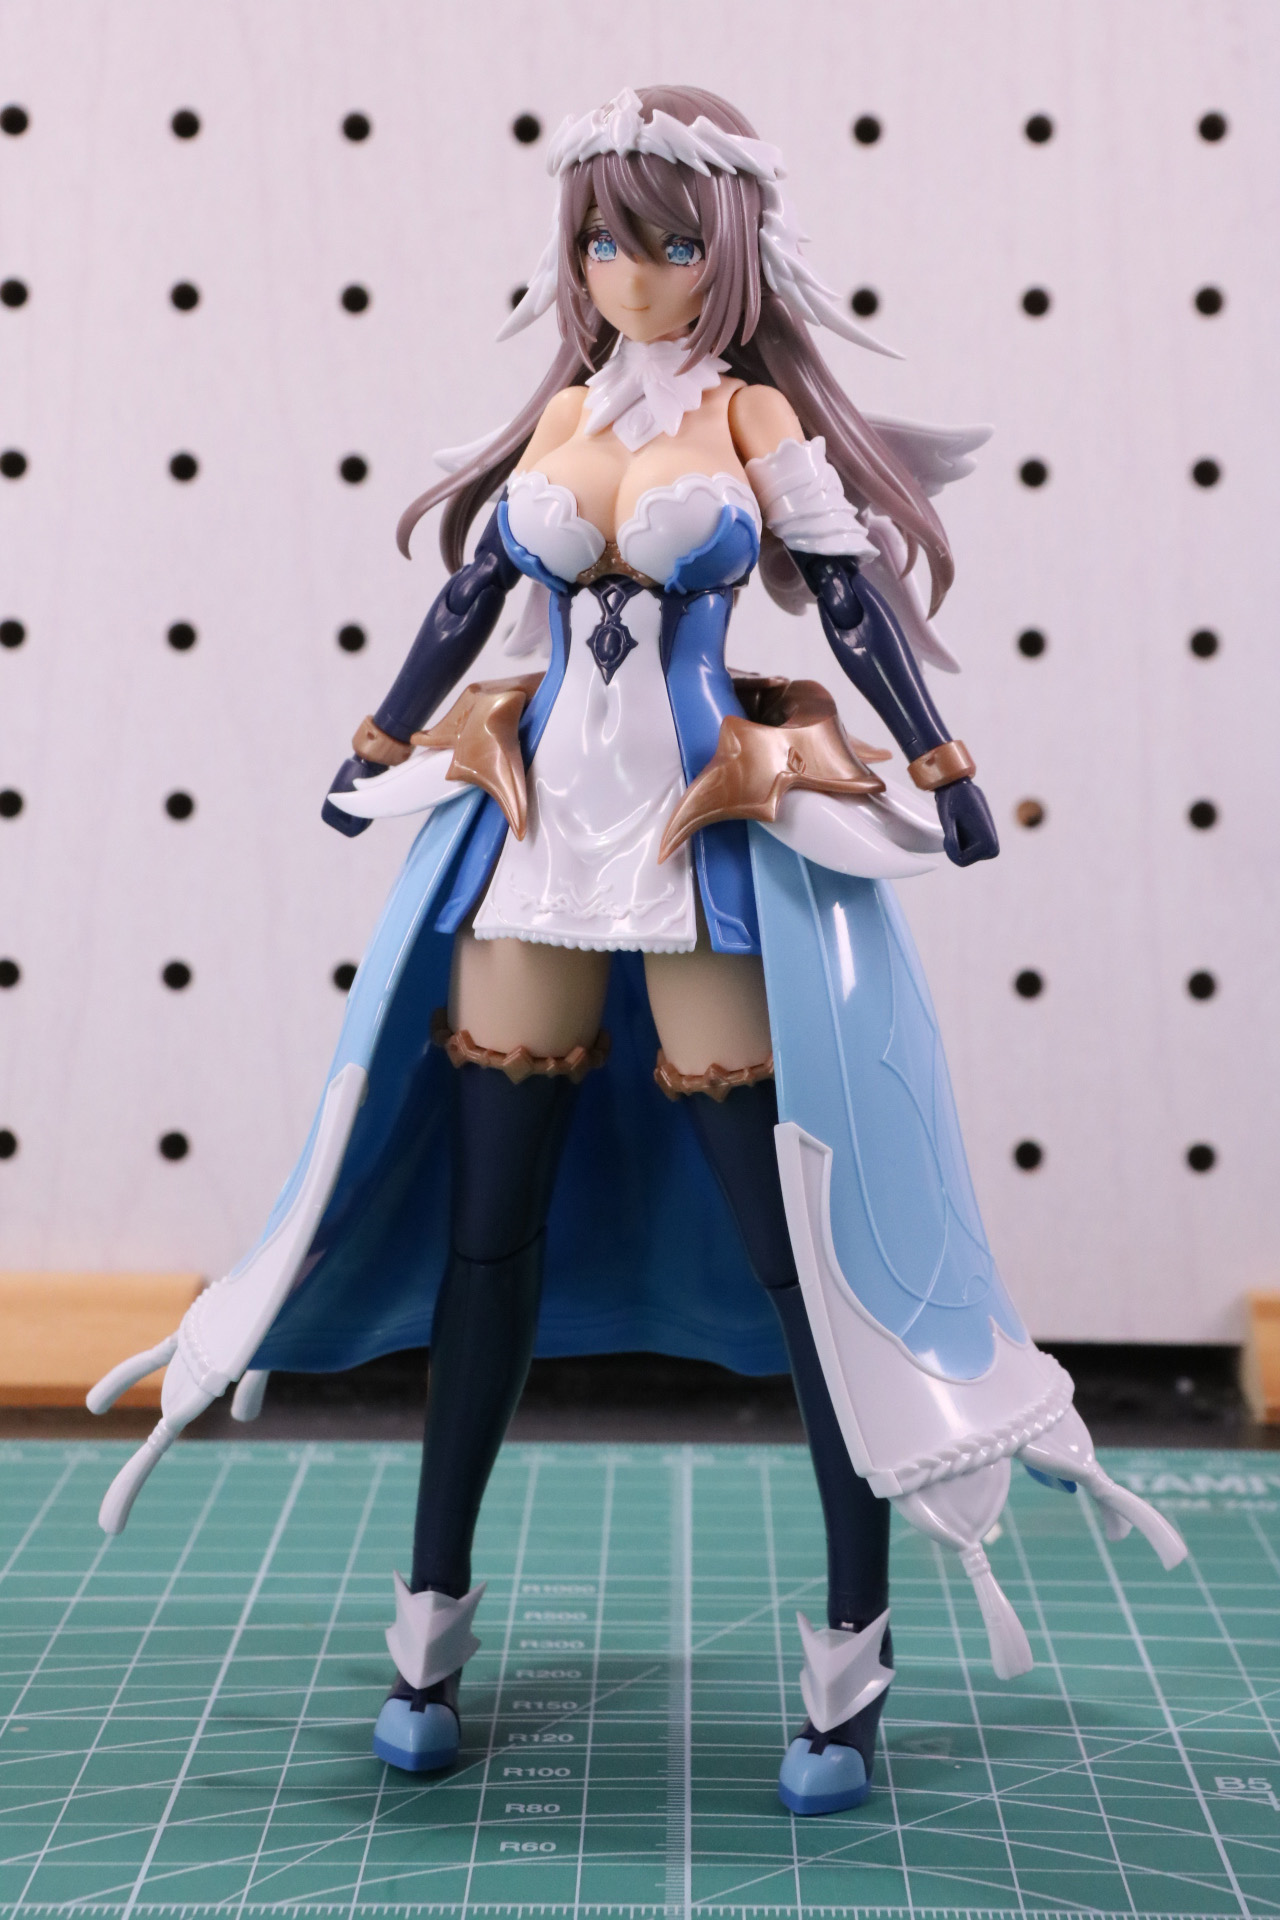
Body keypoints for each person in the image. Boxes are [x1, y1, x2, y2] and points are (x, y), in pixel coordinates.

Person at [89, 85, 1185, 1818]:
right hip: (531, 845)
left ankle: (851, 1652)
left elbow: (848, 601)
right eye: (605, 240)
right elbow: (471, 599)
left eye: (672, 243)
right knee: (483, 1239)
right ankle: (428, 1626)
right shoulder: (565, 409)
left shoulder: (750, 417)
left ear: (729, 252)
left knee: (801, 1249)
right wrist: (380, 739)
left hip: (700, 847)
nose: (634, 273)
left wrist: (943, 762)